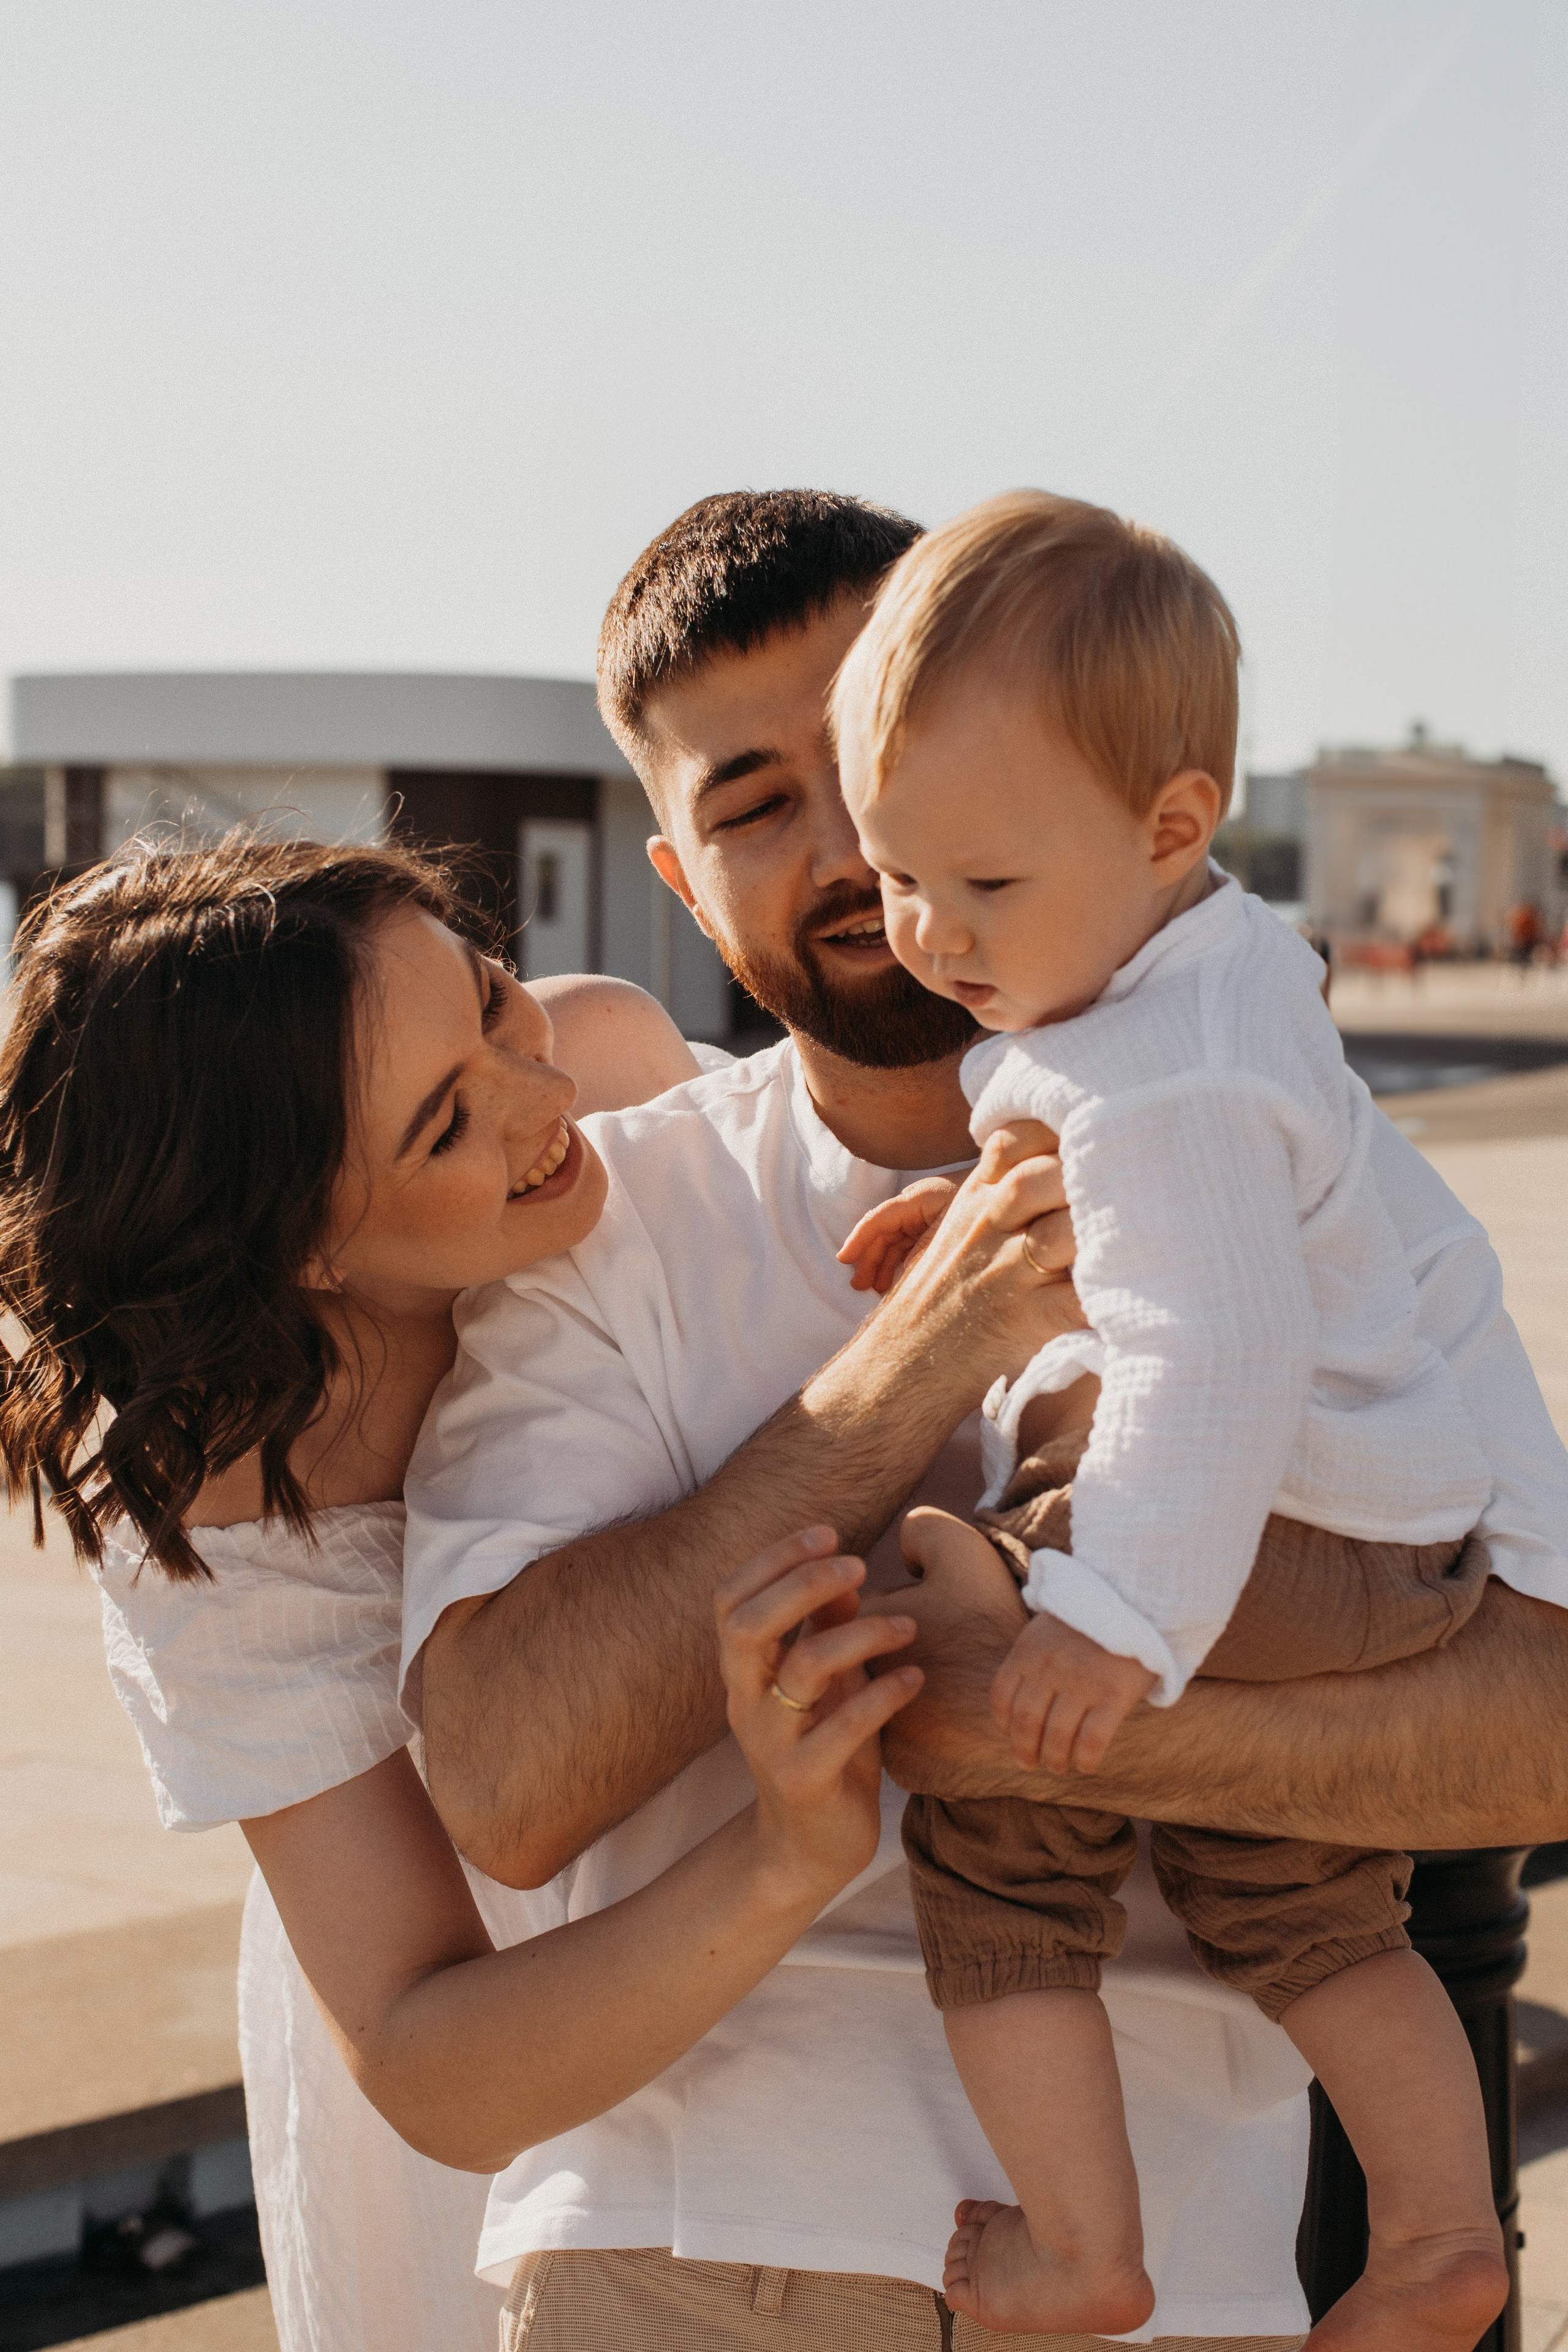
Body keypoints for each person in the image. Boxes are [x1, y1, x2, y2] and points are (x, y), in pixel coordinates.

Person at [407, 491, 1568, 2351]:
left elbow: (1549, 1725)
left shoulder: (1322, 1174)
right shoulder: (611, 1226)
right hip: (697, 2238)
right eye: (757, 803)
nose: (861, 846)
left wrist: (1046, 1733)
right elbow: (502, 1786)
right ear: (687, 884)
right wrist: (925, 1351)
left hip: (1180, 2283)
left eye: (869, 747)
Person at [0, 835, 1045, 2352]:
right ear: (298, 1240)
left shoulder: (610, 1058)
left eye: (488, 1000)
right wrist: (773, 1859)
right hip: (510, 2081)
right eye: (444, 1126)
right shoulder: (228, 1485)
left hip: (852, 2067)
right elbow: (426, 2058)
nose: (540, 1102)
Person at [834, 490, 1512, 2348]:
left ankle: (1082, 2251)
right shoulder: (1204, 974)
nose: (930, 933)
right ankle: (1447, 2236)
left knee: (999, 1833)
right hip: (1376, 1539)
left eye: (984, 887)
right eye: (898, 876)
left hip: (1258, 1537)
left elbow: (1208, 1358)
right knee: (1299, 1899)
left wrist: (1108, 1620)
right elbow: (1174, 1212)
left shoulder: (1159, 1082)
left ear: (1172, 823)